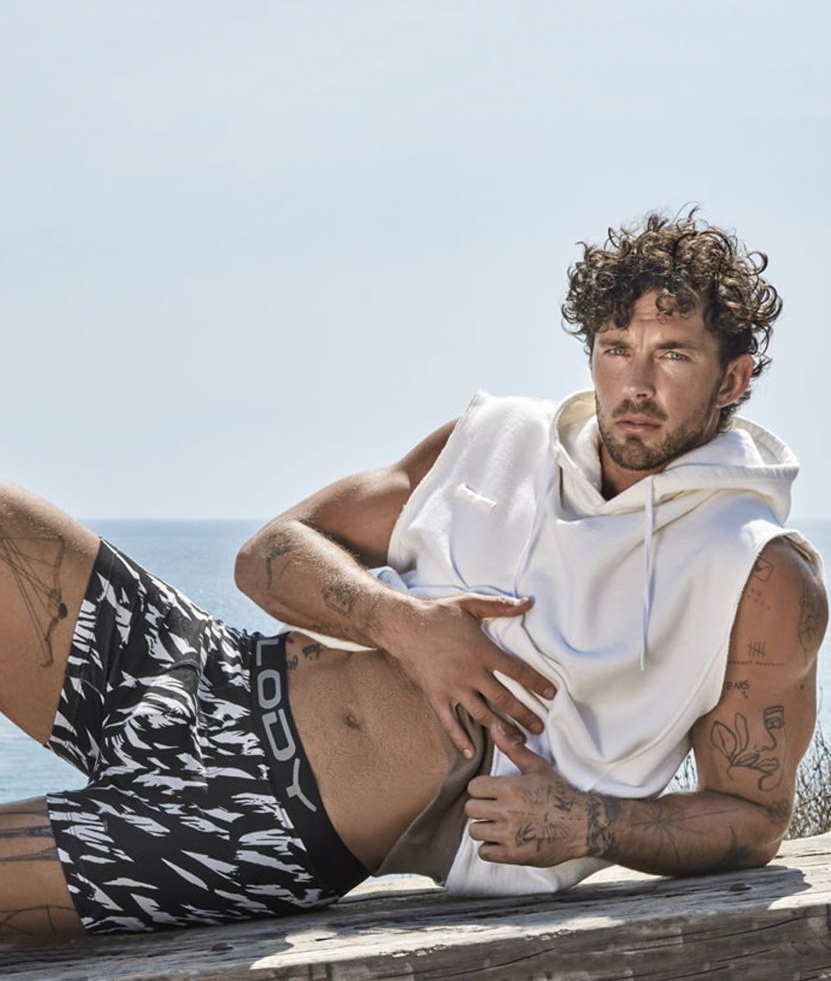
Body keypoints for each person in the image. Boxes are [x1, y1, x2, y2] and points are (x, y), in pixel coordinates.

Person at [0, 212, 825, 942]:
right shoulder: (500, 439)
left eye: (671, 354)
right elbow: (268, 554)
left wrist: (591, 825)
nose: (634, 384)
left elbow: (753, 817)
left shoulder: (756, 572)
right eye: (616, 350)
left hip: (259, 828)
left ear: (733, 378)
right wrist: (405, 626)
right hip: (206, 673)